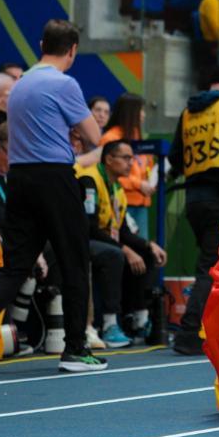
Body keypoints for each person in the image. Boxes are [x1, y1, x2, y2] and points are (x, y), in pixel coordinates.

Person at [0, 20, 106, 374]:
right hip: (54, 178)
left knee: (15, 266)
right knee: (76, 263)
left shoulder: (19, 87)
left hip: (19, 179)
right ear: (73, 51)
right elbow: (94, 135)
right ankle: (76, 349)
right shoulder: (63, 83)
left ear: (40, 44)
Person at [168, 63, 219, 355]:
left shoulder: (188, 112)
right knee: (214, 267)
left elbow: (175, 157)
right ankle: (190, 333)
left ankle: (213, 329)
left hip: (193, 197)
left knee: (214, 264)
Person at [80, 140, 166, 347]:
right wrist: (125, 250)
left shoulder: (117, 189)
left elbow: (123, 231)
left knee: (146, 254)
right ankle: (109, 325)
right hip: (81, 241)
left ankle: (139, 320)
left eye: (132, 158)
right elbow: (89, 227)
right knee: (115, 254)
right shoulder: (89, 180)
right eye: (126, 158)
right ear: (109, 159)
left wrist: (148, 245)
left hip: (104, 240)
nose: (131, 163)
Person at [101, 94, 155, 240]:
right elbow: (107, 173)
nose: (143, 115)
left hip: (142, 203)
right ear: (131, 112)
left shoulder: (138, 137)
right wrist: (138, 184)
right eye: (141, 110)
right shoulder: (111, 138)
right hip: (121, 202)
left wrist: (151, 182)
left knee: (142, 249)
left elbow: (145, 166)